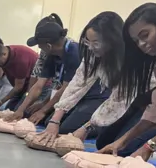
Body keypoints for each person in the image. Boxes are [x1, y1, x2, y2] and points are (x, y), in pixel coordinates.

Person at [35, 12, 127, 146]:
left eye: (96, 43)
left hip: (144, 108)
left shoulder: (127, 59)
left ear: (113, 40)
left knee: (111, 145)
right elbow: (77, 84)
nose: (90, 47)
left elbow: (120, 100)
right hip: (112, 101)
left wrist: (86, 127)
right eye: (87, 42)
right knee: (54, 122)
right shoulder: (92, 54)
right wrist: (55, 119)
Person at [99, 3, 156, 160]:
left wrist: (150, 146)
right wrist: (121, 142)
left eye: (145, 35)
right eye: (136, 41)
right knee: (108, 143)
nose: (141, 44)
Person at [4, 15, 81, 124]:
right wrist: (20, 110)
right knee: (28, 114)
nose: (40, 49)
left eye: (40, 46)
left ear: (48, 46)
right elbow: (38, 85)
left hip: (81, 97)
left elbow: (66, 89)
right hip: (62, 96)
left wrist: (44, 110)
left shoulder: (74, 53)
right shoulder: (52, 55)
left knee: (50, 122)